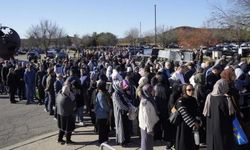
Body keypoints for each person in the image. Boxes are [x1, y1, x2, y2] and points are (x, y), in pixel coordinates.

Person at [203, 79, 236, 150]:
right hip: (223, 128)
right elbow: (232, 114)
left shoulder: (209, 97)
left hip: (211, 127)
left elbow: (206, 112)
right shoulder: (225, 99)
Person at [175, 84, 200, 150]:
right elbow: (184, 113)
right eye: (189, 90)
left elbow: (197, 111)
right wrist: (194, 123)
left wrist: (198, 120)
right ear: (184, 91)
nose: (191, 91)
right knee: (184, 144)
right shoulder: (181, 100)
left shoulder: (193, 99)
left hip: (193, 126)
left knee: (193, 144)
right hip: (184, 125)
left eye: (193, 89)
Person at [139, 84, 159, 150]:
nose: (154, 91)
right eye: (152, 90)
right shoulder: (145, 102)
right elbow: (146, 117)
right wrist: (149, 129)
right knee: (146, 143)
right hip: (147, 127)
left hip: (149, 126)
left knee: (148, 143)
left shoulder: (149, 99)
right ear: (148, 91)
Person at [112, 80, 132, 146]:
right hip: (120, 113)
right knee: (121, 127)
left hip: (125, 112)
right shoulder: (115, 94)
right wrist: (127, 108)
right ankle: (122, 141)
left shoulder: (121, 92)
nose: (121, 86)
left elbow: (126, 100)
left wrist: (130, 106)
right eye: (119, 85)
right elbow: (120, 105)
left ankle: (126, 140)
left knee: (126, 127)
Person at [95, 80, 111, 144]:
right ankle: (101, 141)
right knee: (102, 129)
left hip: (101, 114)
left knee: (104, 128)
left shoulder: (101, 93)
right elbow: (103, 105)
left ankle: (104, 139)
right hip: (102, 114)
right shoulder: (100, 94)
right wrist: (109, 109)